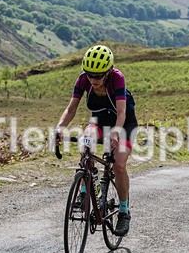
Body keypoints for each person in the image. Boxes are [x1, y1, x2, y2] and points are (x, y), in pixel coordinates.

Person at [56, 45, 137, 236]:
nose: (93, 80)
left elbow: (122, 112)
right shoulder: (83, 80)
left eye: (98, 76)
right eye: (89, 75)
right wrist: (60, 127)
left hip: (123, 123)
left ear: (108, 72)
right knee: (86, 142)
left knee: (119, 165)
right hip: (99, 121)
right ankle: (85, 189)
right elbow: (71, 109)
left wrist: (116, 133)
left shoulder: (117, 78)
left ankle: (123, 211)